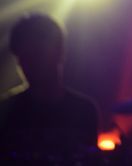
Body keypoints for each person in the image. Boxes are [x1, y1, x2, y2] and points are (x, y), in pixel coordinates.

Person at [0, 13, 99, 160]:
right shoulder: (84, 110)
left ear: (59, 52)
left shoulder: (85, 111)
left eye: (36, 54)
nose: (26, 63)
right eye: (24, 56)